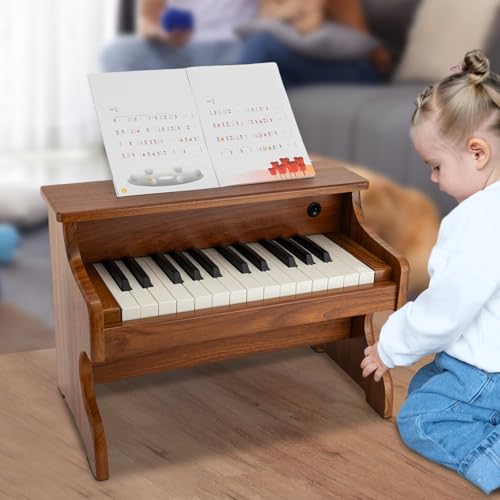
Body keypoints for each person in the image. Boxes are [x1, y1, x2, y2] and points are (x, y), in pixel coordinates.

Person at [360, 50, 500, 494]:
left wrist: (390, 345)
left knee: (420, 418)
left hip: (487, 371)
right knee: (428, 379)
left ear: (478, 153)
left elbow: (445, 312)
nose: (435, 181)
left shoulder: (478, 220)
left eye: (436, 166)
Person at [238, 0, 390, 87]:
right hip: (311, 62)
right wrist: (289, 12)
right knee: (266, 75)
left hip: (360, 68)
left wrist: (285, 12)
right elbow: (264, 18)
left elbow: (308, 28)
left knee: (260, 45)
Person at [101, 0, 258, 72]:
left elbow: (269, 13)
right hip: (181, 49)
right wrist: (162, 34)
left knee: (260, 47)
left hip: (235, 48)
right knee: (117, 52)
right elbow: (147, 20)